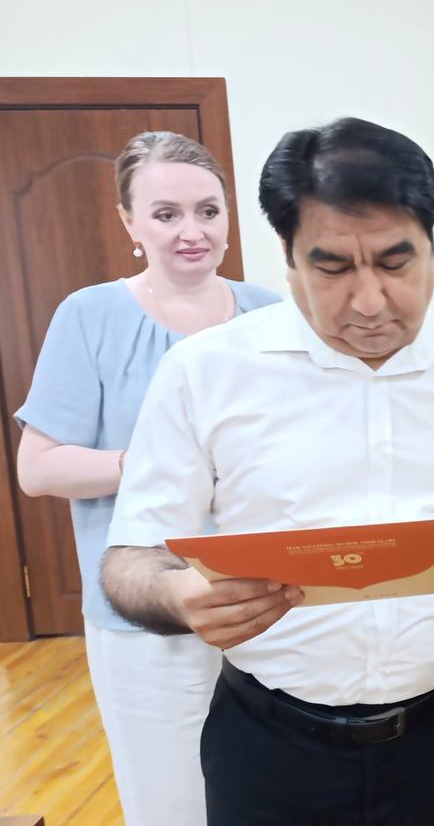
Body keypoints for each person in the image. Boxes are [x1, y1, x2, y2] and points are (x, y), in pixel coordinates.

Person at [99, 117, 434, 826]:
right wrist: (178, 596)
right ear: (289, 257)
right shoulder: (205, 373)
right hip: (268, 744)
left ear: (432, 247)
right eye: (332, 268)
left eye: (396, 262)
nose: (369, 301)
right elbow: (129, 561)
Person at [13, 131, 279, 825]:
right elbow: (37, 468)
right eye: (166, 214)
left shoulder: (272, 314)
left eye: (208, 210)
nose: (193, 231)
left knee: (275, 796)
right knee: (176, 807)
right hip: (150, 619)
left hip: (274, 603)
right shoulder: (89, 316)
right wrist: (153, 464)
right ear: (129, 222)